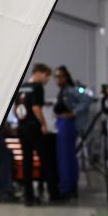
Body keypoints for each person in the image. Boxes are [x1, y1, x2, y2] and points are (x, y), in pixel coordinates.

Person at [14, 63, 58, 205]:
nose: (47, 80)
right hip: (34, 127)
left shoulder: (21, 87)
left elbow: (16, 109)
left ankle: (29, 197)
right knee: (46, 160)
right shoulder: (37, 88)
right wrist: (44, 124)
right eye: (46, 76)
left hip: (22, 127)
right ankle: (53, 193)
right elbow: (36, 108)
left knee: (27, 162)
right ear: (39, 73)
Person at [53, 65, 89, 199]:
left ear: (66, 76)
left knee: (65, 157)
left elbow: (87, 97)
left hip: (68, 124)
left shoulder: (72, 89)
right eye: (55, 77)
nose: (57, 80)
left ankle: (67, 188)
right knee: (67, 156)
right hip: (61, 122)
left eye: (60, 76)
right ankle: (69, 186)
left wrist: (74, 113)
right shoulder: (62, 91)